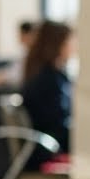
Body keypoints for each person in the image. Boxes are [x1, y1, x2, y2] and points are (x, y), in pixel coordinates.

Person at [19, 20, 74, 169]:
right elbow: (57, 122)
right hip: (49, 149)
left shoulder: (44, 74)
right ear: (57, 44)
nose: (73, 48)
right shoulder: (48, 80)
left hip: (49, 144)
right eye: (69, 42)